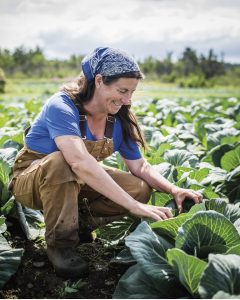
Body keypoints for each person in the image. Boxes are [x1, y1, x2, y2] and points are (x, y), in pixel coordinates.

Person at [9, 47, 202, 278]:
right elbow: (79, 162)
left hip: (76, 181)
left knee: (139, 188)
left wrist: (174, 189)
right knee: (62, 161)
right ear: (99, 80)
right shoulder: (61, 106)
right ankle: (61, 244)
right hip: (30, 180)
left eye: (131, 92)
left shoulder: (118, 119)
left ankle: (78, 224)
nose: (127, 99)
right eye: (122, 91)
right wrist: (133, 206)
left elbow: (140, 167)